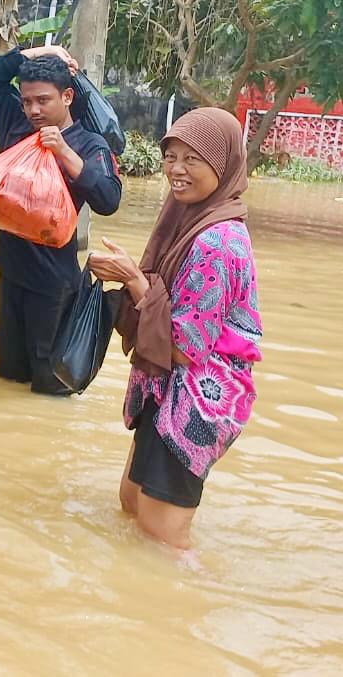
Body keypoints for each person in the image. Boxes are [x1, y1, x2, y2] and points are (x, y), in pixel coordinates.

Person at [88, 107, 262, 552]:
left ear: (222, 166)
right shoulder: (188, 220)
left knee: (162, 536)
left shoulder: (217, 241)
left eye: (193, 159)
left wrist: (133, 280)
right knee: (131, 505)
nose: (176, 170)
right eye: (171, 156)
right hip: (164, 391)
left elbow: (186, 346)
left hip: (196, 402)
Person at [0, 45, 122, 395]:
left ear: (68, 96)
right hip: (11, 274)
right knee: (8, 379)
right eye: (27, 101)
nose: (33, 110)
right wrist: (42, 51)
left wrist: (64, 153)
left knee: (49, 386)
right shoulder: (16, 124)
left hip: (54, 286)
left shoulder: (90, 145)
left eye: (43, 100)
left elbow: (109, 199)